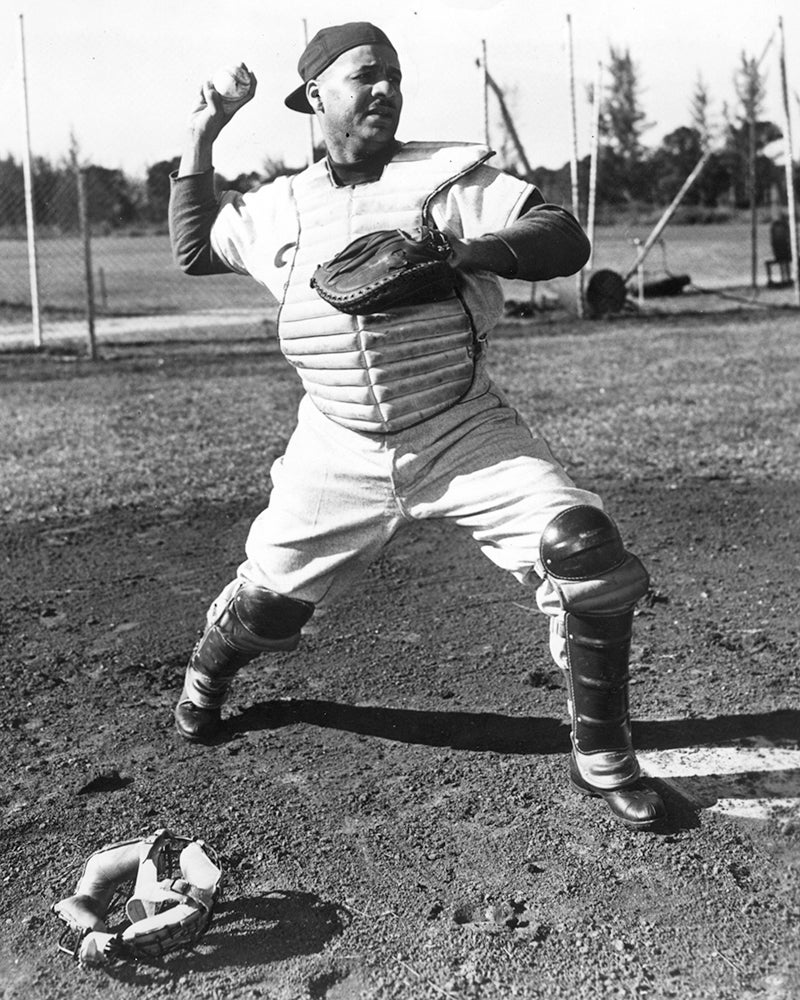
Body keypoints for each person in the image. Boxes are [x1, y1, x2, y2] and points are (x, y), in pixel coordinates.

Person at [168, 21, 666, 831]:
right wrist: (203, 130)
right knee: (267, 609)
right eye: (366, 75)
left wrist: (470, 253)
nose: (386, 89)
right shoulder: (279, 206)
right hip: (336, 444)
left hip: (459, 428)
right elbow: (194, 248)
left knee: (584, 551)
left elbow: (563, 236)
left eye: (394, 76)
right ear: (315, 95)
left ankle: (604, 753)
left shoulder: (447, 179)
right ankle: (208, 673)